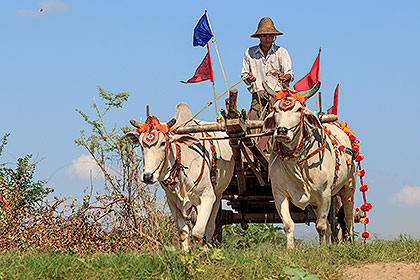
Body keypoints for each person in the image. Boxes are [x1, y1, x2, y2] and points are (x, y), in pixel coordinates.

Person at [241, 17, 294, 122]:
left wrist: (285, 77)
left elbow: (290, 74)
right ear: (259, 37)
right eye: (264, 35)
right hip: (258, 96)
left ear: (274, 37)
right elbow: (244, 75)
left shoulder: (281, 52)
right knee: (253, 126)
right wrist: (249, 78)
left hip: (278, 95)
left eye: (270, 35)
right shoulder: (250, 53)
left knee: (282, 125)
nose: (267, 38)